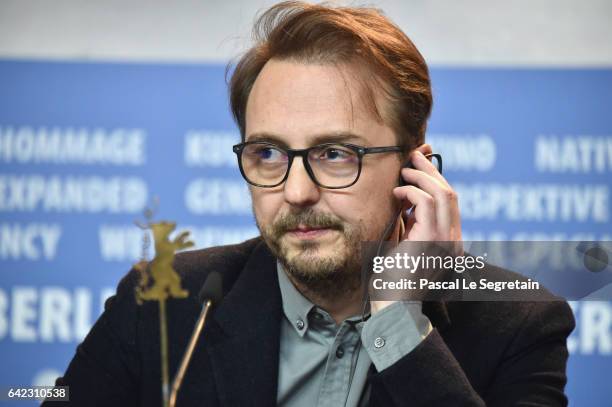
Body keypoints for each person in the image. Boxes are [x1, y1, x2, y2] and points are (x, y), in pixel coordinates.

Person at [44, 2, 575, 406]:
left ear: (417, 169)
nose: (296, 192)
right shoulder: (165, 304)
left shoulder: (518, 324)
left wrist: (397, 320)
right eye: (269, 152)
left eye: (335, 153)